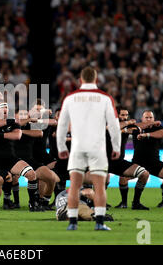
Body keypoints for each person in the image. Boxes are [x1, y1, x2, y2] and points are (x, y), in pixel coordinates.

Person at [56, 66, 121, 231]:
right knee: (99, 187)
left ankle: (72, 223)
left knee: (74, 186)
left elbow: (62, 125)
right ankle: (99, 222)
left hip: (77, 147)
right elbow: (114, 125)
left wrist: (61, 146)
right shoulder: (105, 98)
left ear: (81, 80)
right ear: (96, 79)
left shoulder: (70, 98)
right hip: (97, 147)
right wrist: (116, 146)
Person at [131, 110, 163, 209]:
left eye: (151, 117)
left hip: (153, 162)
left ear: (154, 119)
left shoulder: (158, 127)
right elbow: (133, 128)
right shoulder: (137, 127)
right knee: (123, 178)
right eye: (146, 117)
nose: (149, 119)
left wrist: (147, 135)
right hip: (138, 162)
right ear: (142, 119)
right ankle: (132, 203)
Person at [108, 107, 150, 210]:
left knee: (144, 174)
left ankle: (135, 203)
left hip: (118, 162)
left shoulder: (128, 125)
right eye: (122, 115)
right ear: (116, 115)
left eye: (126, 115)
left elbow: (137, 128)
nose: (125, 117)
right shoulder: (107, 123)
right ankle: (96, 203)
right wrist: (127, 126)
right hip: (103, 161)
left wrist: (139, 128)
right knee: (102, 179)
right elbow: (113, 128)